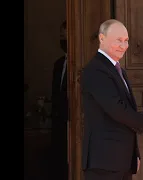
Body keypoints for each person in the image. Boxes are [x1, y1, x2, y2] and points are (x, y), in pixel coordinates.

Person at [80, 19, 143, 180]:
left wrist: (133, 154)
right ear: (102, 38)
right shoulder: (95, 70)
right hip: (104, 162)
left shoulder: (118, 69)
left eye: (126, 40)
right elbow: (116, 108)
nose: (124, 46)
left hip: (121, 161)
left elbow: (126, 110)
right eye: (118, 40)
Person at [50, 20, 68, 180]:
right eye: (61, 36)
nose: (63, 40)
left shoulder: (84, 65)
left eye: (66, 36)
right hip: (59, 123)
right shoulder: (58, 64)